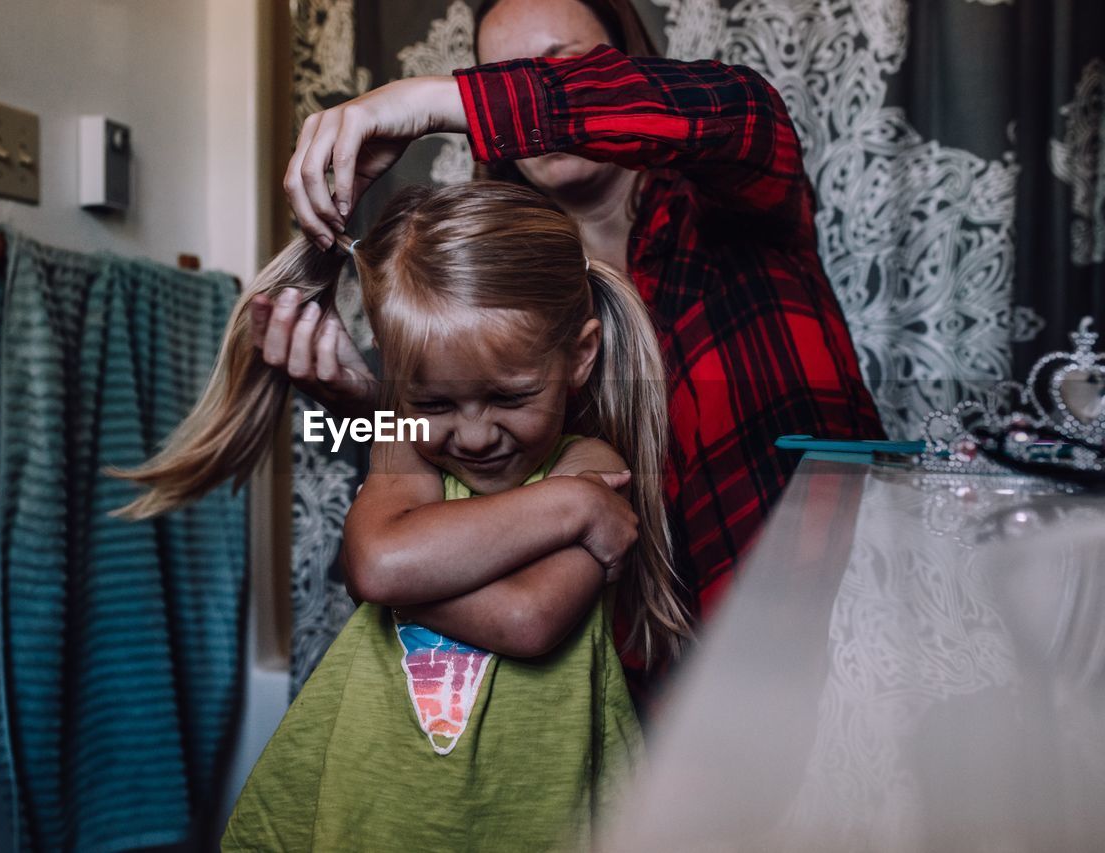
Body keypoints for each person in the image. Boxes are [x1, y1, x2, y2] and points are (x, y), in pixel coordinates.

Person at [270, 0, 886, 718]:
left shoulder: (734, 197)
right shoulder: (503, 290)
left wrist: (427, 100)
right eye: (504, 76)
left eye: (563, 69)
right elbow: (478, 483)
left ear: (629, 68)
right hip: (625, 697)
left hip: (817, 659)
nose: (534, 93)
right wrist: (375, 412)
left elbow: (743, 111)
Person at [114, 181, 691, 851]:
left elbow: (529, 618)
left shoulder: (590, 462)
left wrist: (421, 568)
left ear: (579, 357)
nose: (474, 436)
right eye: (435, 403)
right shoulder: (433, 449)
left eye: (510, 396)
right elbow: (379, 563)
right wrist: (568, 508)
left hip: (534, 816)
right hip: (380, 808)